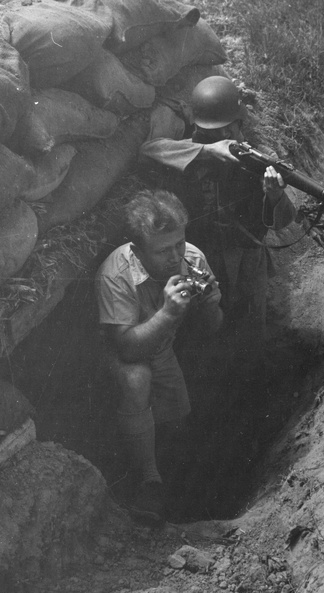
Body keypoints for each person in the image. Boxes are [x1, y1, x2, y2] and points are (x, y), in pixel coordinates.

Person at [95, 188, 223, 522]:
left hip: (162, 346)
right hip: (119, 352)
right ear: (136, 251)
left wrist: (210, 303)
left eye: (179, 243)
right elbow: (126, 347)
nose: (174, 256)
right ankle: (147, 480)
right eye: (163, 249)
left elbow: (213, 329)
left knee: (177, 421)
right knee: (137, 379)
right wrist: (168, 315)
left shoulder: (191, 258)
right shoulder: (115, 274)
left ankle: (173, 474)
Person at [139, 75, 297, 330]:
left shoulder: (257, 158)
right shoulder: (190, 152)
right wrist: (207, 151)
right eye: (209, 133)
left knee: (249, 331)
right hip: (200, 259)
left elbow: (284, 221)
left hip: (246, 259)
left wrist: (274, 195)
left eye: (227, 131)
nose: (224, 137)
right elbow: (150, 150)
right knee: (206, 333)